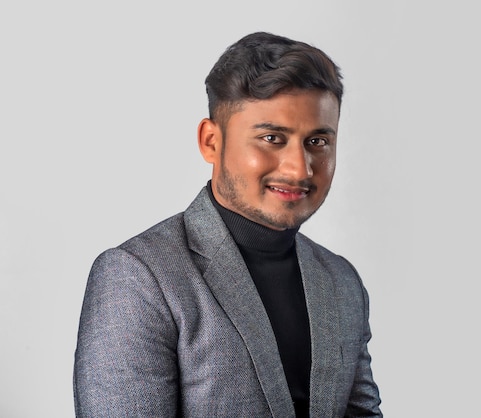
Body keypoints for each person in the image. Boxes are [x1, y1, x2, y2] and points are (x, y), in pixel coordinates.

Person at [73, 31, 382, 417]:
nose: (299, 168)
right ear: (210, 141)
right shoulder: (137, 277)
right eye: (272, 137)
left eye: (318, 142)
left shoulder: (342, 281)